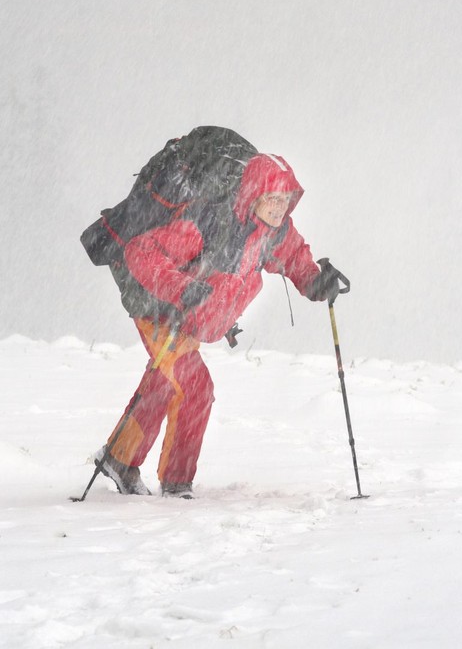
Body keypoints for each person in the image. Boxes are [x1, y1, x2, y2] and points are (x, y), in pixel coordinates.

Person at [94, 152, 347, 498]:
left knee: (167, 384)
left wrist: (317, 283)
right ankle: (177, 484)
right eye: (272, 198)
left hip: (189, 320)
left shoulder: (275, 232)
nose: (280, 207)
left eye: (285, 199)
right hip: (161, 313)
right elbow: (141, 251)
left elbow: (295, 259)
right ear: (254, 195)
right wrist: (181, 288)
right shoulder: (211, 223)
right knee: (196, 388)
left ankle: (119, 459)